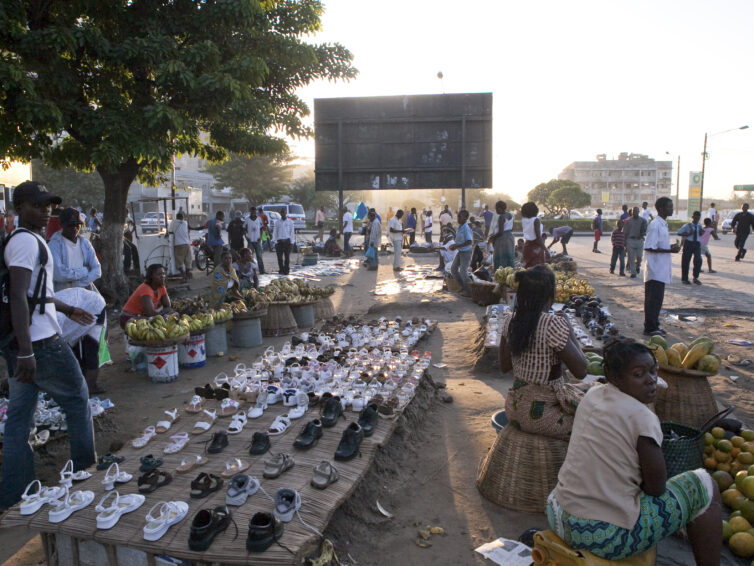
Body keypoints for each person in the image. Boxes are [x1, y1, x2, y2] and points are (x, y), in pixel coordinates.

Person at [547, 338, 721, 563]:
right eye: (639, 375)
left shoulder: (592, 395)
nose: (650, 381)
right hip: (601, 535)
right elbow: (657, 488)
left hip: (559, 514)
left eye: (653, 372)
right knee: (706, 486)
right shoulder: (642, 417)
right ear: (615, 378)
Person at [0, 181, 96, 509]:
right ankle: (87, 474)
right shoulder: (27, 242)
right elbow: (17, 296)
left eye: (48, 205)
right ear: (19, 208)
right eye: (37, 205)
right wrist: (27, 351)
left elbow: (32, 294)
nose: (45, 211)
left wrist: (68, 308)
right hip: (38, 344)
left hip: (19, 344)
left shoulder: (23, 239)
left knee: (19, 419)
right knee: (78, 399)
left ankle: (15, 495)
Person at [498, 266, 588, 440]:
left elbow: (505, 366)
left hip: (514, 407)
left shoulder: (510, 320)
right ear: (552, 293)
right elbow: (581, 371)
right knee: (596, 422)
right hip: (542, 414)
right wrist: (569, 329)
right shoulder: (553, 324)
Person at [643, 197, 680, 336]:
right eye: (669, 207)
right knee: (653, 299)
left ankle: (655, 324)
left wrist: (670, 247)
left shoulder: (663, 224)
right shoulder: (655, 225)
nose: (671, 209)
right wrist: (669, 250)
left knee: (657, 300)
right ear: (661, 209)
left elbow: (659, 245)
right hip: (654, 269)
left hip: (661, 269)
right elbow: (649, 247)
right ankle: (650, 327)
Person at [48, 207, 101, 292]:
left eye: (77, 224)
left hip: (85, 291)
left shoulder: (85, 244)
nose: (75, 228)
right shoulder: (54, 245)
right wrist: (85, 270)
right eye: (70, 225)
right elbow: (59, 274)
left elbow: (97, 270)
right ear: (62, 225)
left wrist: (76, 284)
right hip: (62, 294)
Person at [120, 264, 172, 329]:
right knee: (155, 320)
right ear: (151, 276)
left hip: (144, 316)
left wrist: (160, 311)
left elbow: (167, 306)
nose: (163, 276)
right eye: (159, 274)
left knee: (174, 314)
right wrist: (161, 310)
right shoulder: (146, 288)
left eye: (164, 274)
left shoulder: (161, 286)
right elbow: (150, 313)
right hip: (128, 318)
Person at [168, 212, 199, 281]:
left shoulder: (173, 223)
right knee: (187, 260)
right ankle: (187, 274)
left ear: (176, 217)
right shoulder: (185, 223)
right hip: (187, 244)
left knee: (179, 261)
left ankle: (183, 275)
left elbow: (170, 232)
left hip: (179, 244)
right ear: (182, 217)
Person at [449, 210, 473, 296]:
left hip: (466, 252)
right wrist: (455, 245)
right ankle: (463, 286)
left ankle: (469, 291)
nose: (458, 218)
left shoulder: (466, 228)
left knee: (463, 271)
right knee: (453, 269)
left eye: (460, 217)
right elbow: (460, 241)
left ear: (465, 218)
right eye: (458, 216)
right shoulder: (460, 227)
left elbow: (469, 241)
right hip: (460, 251)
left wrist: (456, 246)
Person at [678, 210, 703, 285]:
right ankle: (684, 278)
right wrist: (688, 233)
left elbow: (701, 234)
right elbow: (679, 232)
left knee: (698, 260)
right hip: (689, 243)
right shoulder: (687, 225)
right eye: (695, 218)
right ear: (692, 217)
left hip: (697, 243)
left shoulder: (699, 226)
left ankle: (695, 277)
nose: (696, 220)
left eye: (698, 218)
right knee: (686, 261)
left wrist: (702, 232)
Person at [488, 200, 515, 269]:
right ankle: (510, 272)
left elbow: (500, 232)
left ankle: (500, 273)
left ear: (501, 208)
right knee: (509, 255)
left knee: (500, 257)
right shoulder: (510, 215)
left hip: (502, 239)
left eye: (497, 208)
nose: (496, 210)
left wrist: (492, 237)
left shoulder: (501, 217)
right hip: (510, 237)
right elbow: (512, 228)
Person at [623, 207, 647, 279]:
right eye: (633, 211)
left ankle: (637, 266)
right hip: (630, 240)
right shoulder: (628, 221)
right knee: (631, 257)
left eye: (636, 211)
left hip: (639, 240)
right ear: (631, 212)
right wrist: (624, 242)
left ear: (638, 212)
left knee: (639, 257)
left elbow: (645, 230)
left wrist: (642, 233)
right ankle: (633, 272)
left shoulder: (643, 221)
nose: (635, 213)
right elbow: (625, 232)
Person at [521, 202, 546, 268]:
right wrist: (546, 250)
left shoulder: (524, 221)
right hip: (535, 248)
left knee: (529, 268)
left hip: (527, 247)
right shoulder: (536, 220)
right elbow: (538, 238)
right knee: (537, 270)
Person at [243, 207, 266, 274]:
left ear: (256, 211)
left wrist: (260, 237)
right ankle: (250, 270)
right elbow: (244, 229)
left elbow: (261, 228)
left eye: (254, 211)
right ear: (250, 211)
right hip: (250, 241)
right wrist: (246, 237)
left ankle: (262, 271)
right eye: (252, 210)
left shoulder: (259, 219)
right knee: (249, 257)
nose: (253, 212)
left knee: (259, 256)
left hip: (257, 240)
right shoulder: (247, 219)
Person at [273, 209, 295, 275]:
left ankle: (286, 270)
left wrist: (292, 242)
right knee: (279, 258)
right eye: (282, 213)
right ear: (280, 213)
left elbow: (292, 233)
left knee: (287, 258)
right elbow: (275, 232)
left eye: (284, 213)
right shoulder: (277, 222)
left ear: (286, 213)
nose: (283, 214)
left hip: (287, 242)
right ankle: (281, 270)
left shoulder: (290, 222)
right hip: (279, 242)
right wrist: (275, 242)